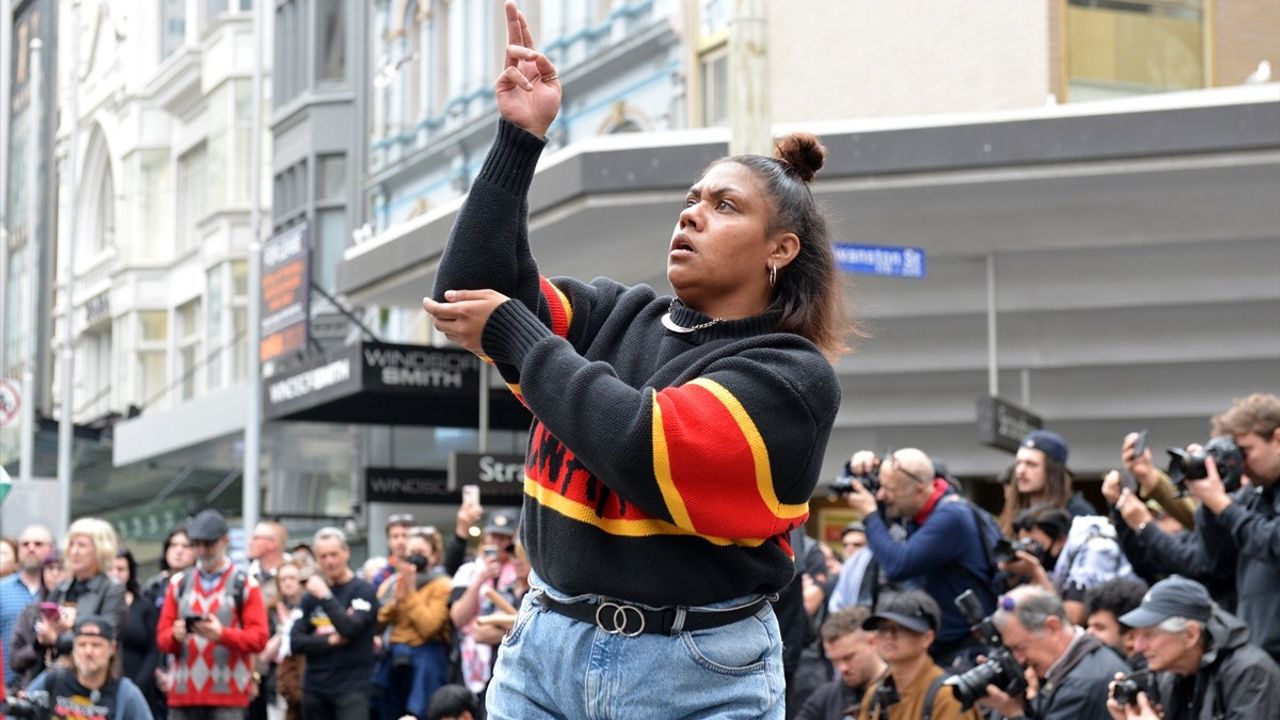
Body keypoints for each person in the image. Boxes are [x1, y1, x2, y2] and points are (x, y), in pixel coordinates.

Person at [421, 4, 846, 716]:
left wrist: (520, 338)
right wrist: (517, 141)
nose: (691, 214)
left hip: (695, 671)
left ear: (781, 249)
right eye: (689, 200)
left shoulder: (792, 377)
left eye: (724, 205)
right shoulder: (614, 314)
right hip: (545, 647)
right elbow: (466, 290)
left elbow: (647, 445)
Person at [842, 448, 997, 667]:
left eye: (889, 489)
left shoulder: (952, 517)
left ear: (918, 491)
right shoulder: (914, 508)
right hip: (937, 645)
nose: (880, 496)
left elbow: (898, 565)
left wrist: (869, 515)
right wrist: (855, 467)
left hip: (964, 649)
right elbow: (851, 488)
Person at [1107, 575, 1280, 720]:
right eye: (1136, 636)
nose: (1138, 647)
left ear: (1191, 635)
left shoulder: (1250, 673)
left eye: (1149, 635)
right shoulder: (1169, 675)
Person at [155, 509, 270, 720]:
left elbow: (260, 639)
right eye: (197, 544)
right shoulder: (178, 584)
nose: (202, 550)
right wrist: (176, 635)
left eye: (208, 544)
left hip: (228, 698)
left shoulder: (245, 585)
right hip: (183, 696)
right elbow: (162, 639)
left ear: (225, 541)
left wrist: (221, 635)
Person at [977, 585, 1129, 720]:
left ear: (1052, 627)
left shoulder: (1080, 687)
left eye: (1021, 648)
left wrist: (1013, 712)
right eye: (1011, 650)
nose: (1019, 659)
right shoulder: (1082, 658)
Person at [290, 527, 378, 720]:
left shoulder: (363, 591)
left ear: (346, 553)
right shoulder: (310, 597)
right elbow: (295, 642)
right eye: (323, 556)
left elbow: (350, 629)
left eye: (334, 554)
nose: (329, 561)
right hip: (315, 687)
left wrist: (326, 596)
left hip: (352, 688)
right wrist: (330, 641)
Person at [857, 591, 979, 720]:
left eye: (900, 628)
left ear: (927, 638)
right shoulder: (874, 695)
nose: (888, 636)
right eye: (882, 628)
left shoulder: (949, 695)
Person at [374, 532, 452, 720]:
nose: (416, 557)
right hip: (394, 656)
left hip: (427, 656)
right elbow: (375, 623)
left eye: (421, 552)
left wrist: (409, 593)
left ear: (433, 556)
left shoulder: (442, 584)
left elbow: (429, 626)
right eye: (411, 552)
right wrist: (394, 602)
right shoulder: (391, 584)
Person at [447, 510, 520, 698]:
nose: (498, 542)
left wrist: (492, 631)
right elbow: (458, 618)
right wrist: (481, 578)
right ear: (485, 537)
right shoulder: (469, 570)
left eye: (504, 537)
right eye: (493, 536)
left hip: (508, 661)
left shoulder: (523, 570)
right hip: (469, 661)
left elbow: (522, 623)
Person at [24, 616, 154, 720]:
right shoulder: (52, 680)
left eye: (96, 645)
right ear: (73, 648)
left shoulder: (126, 694)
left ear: (112, 649)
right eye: (82, 644)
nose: (88, 652)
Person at [795, 606, 887, 720]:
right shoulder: (825, 698)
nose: (842, 668)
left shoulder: (899, 694)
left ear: (872, 642)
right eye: (834, 660)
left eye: (848, 658)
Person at [999, 430, 1095, 535]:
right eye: (1018, 463)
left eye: (1031, 464)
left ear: (1052, 471)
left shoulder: (1078, 513)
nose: (1020, 471)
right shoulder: (1015, 510)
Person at [1, 524, 54, 690]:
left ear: (51, 549)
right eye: (25, 544)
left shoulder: (59, 591)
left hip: (49, 685)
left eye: (38, 544)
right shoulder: (2, 589)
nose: (31, 548)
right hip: (7, 686)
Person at [7, 552, 67, 688]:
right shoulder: (31, 612)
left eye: (61, 568)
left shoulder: (79, 608)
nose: (55, 574)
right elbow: (15, 661)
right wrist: (38, 645)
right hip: (34, 685)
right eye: (50, 568)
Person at [1084, 577, 1149, 668]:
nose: (1088, 633)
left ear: (1131, 637)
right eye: (1089, 626)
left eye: (1100, 628)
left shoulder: (1148, 678)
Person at [370, 514, 415, 589]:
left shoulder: (426, 571)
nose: (400, 541)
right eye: (395, 536)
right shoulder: (381, 578)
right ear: (388, 541)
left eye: (405, 535)